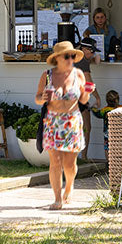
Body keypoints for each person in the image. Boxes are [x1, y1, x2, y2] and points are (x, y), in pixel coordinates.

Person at [35, 40, 94, 209]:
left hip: (72, 121)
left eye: (73, 56)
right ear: (58, 58)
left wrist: (87, 93)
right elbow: (37, 98)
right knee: (55, 162)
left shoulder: (79, 75)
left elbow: (83, 100)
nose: (71, 59)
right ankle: (57, 198)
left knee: (69, 164)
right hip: (53, 121)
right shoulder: (47, 75)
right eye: (67, 56)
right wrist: (43, 98)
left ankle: (69, 186)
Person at [74, 37, 100, 160]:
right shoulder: (82, 61)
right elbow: (88, 84)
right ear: (83, 48)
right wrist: (98, 98)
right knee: (86, 127)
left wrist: (94, 59)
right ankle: (83, 157)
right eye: (91, 51)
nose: (93, 53)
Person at [90, 89, 121, 158]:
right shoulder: (121, 109)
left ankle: (108, 162)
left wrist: (92, 107)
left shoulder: (105, 110)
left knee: (107, 148)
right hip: (119, 133)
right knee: (118, 148)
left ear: (107, 100)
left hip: (108, 134)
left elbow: (97, 113)